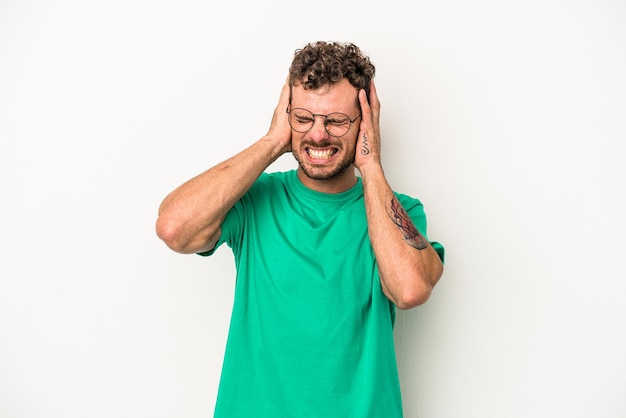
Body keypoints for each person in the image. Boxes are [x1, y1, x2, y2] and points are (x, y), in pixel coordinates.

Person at [156, 41, 445, 418]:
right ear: (286, 113)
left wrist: (371, 164)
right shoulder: (254, 199)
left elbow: (410, 289)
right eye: (304, 118)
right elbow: (173, 228)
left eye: (337, 121)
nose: (318, 135)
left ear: (364, 123)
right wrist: (273, 140)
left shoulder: (400, 211)